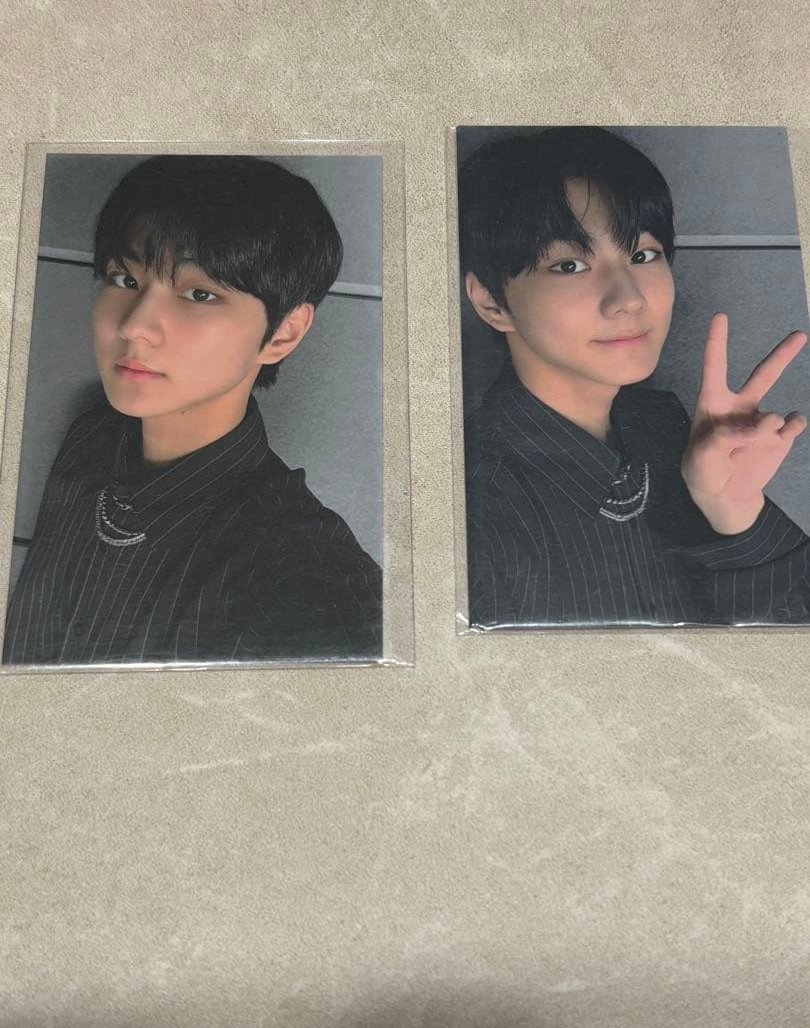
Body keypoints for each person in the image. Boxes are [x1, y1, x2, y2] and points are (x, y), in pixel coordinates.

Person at [3, 154, 382, 664]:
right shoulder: (91, 439)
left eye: (199, 294)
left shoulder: (304, 577)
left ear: (282, 333)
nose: (134, 326)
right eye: (124, 280)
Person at [459, 127, 810, 627]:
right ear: (491, 301)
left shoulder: (660, 423)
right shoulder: (473, 510)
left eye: (643, 256)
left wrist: (736, 510)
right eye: (569, 265)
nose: (628, 298)